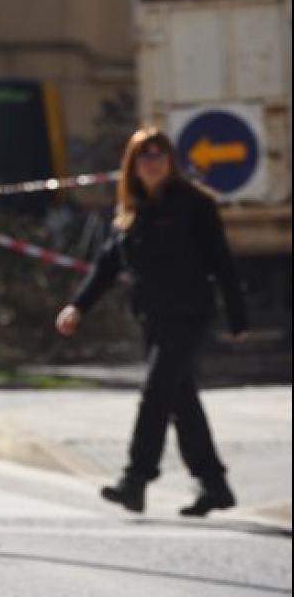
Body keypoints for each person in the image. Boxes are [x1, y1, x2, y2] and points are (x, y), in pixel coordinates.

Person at [55, 126, 248, 517]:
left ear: (171, 162)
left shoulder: (195, 204)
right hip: (152, 318)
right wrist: (77, 306)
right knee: (181, 400)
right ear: (133, 164)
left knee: (156, 395)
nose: (153, 162)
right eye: (145, 155)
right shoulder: (131, 211)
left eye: (160, 155)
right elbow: (106, 266)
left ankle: (135, 479)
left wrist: (237, 316)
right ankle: (214, 484)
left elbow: (222, 262)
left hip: (189, 315)